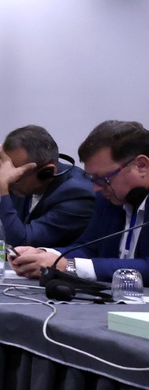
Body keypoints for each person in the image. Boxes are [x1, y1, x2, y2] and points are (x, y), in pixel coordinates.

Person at [11, 120, 149, 284]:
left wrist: (69, 266)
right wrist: (42, 255)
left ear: (141, 166)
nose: (96, 188)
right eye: (92, 179)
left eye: (102, 178)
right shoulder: (110, 198)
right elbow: (88, 248)